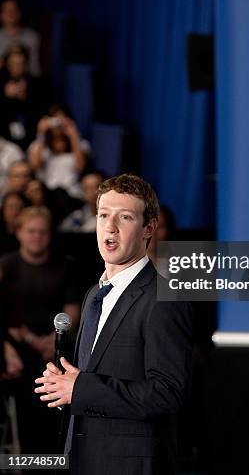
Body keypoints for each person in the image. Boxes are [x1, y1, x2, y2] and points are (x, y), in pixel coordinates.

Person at [34, 174, 193, 474]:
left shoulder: (164, 299)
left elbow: (168, 393)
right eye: (104, 215)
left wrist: (81, 388)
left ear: (149, 228)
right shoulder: (95, 294)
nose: (110, 226)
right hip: (81, 458)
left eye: (125, 217)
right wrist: (64, 387)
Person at [0, 205, 80, 453]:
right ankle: (28, 453)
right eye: (31, 231)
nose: (37, 237)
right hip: (17, 341)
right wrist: (32, 340)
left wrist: (53, 340)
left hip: (58, 339)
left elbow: (73, 309)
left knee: (63, 366)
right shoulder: (6, 264)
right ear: (19, 233)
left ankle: (58, 449)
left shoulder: (65, 264)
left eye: (43, 232)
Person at [28, 106, 90, 199]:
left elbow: (80, 167)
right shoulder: (38, 145)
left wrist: (73, 135)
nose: (58, 125)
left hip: (71, 193)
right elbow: (35, 165)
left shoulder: (81, 144)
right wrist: (41, 133)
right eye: (54, 120)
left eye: (61, 121)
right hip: (46, 194)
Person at [0, 0, 41, 76]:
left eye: (13, 10)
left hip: (27, 80)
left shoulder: (32, 37)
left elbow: (34, 68)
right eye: (7, 11)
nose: (10, 14)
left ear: (19, 13)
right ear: (1, 15)